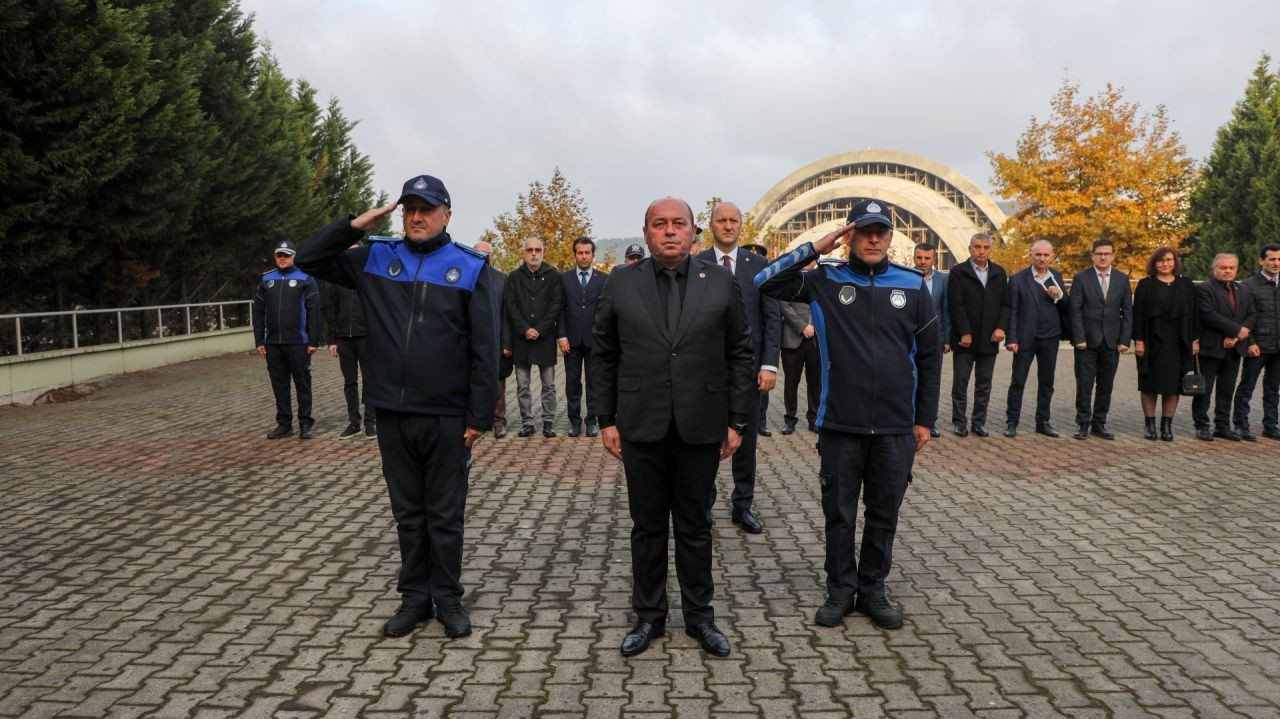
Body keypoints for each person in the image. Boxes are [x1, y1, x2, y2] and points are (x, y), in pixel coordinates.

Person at [295, 174, 498, 639]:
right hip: (391, 412)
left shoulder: (469, 266)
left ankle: (447, 599)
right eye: (409, 208)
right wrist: (354, 225)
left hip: (447, 416)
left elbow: (486, 348)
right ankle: (414, 600)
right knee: (409, 514)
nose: (416, 217)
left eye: (426, 209)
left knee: (444, 516)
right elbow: (309, 258)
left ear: (447, 214)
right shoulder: (376, 257)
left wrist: (478, 417)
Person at [756, 198, 941, 631]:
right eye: (864, 231)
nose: (873, 239)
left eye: (881, 232)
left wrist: (924, 420)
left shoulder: (913, 286)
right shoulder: (824, 280)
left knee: (884, 512)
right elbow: (764, 281)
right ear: (850, 236)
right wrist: (817, 247)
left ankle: (873, 589)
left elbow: (930, 359)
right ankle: (840, 589)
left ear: (891, 238)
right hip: (840, 422)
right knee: (839, 513)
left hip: (896, 425)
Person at [590, 197, 754, 658]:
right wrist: (606, 419)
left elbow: (740, 352)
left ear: (693, 232)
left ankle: (701, 618)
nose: (669, 231)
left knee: (696, 526)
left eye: (678, 224)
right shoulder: (622, 281)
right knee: (646, 527)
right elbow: (603, 354)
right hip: (640, 425)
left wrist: (735, 420)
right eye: (659, 224)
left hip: (701, 425)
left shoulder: (721, 281)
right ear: (645, 233)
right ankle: (649, 617)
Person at [698, 202, 781, 534]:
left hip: (749, 369)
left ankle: (742, 504)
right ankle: (703, 503)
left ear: (741, 226)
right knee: (704, 440)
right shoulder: (696, 264)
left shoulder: (760, 266)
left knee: (745, 442)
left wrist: (769, 364)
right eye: (722, 220)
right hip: (705, 371)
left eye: (733, 220)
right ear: (711, 226)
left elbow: (771, 317)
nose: (728, 225)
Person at [252, 240, 321, 440]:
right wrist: (259, 340)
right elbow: (258, 312)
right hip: (273, 344)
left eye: (286, 255)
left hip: (299, 343)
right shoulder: (266, 280)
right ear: (275, 257)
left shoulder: (306, 279)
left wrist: (313, 340)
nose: (283, 258)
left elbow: (314, 312)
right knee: (279, 385)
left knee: (302, 384)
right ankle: (284, 424)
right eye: (279, 255)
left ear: (293, 256)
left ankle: (305, 424)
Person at [1068, 238, 1133, 440]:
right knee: (1085, 384)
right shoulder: (1081, 278)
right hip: (1086, 342)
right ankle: (1083, 423)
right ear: (1092, 255)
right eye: (1099, 253)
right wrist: (1079, 337)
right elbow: (1075, 310)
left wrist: (1124, 340)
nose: (1103, 257)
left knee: (1106, 385)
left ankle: (1099, 422)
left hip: (1112, 342)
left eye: (1107, 253)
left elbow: (1127, 312)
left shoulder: (1122, 280)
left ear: (1113, 256)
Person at [1132, 247, 1199, 441]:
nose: (1165, 264)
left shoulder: (1186, 285)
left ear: (1175, 262)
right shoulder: (1146, 285)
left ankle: (1167, 425)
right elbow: (1138, 314)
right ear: (1154, 264)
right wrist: (1139, 340)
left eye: (1169, 260)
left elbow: (1195, 314)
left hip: (1178, 343)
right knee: (1149, 384)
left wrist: (1195, 339)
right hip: (1151, 342)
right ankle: (1149, 424)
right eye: (1160, 260)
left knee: (1173, 386)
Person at [1003, 240, 1069, 438]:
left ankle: (1043, 421)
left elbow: (1066, 306)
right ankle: (1012, 422)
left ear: (1052, 257)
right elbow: (1012, 311)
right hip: (1025, 338)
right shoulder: (1018, 279)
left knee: (1047, 381)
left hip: (1050, 337)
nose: (1041, 258)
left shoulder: (1056, 276)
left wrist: (1059, 296)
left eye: (1046, 255)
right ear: (1030, 255)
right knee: (1018, 381)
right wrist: (1011, 338)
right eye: (1038, 254)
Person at [947, 232, 1010, 437]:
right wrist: (964, 331)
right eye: (977, 247)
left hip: (989, 339)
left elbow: (1006, 304)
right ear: (970, 249)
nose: (981, 251)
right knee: (960, 383)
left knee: (984, 384)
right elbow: (955, 305)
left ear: (990, 250)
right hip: (965, 340)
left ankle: (979, 422)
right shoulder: (958, 272)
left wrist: (1001, 328)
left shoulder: (999, 273)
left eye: (985, 248)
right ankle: (959, 422)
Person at [503, 238, 563, 438]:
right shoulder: (513, 277)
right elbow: (511, 307)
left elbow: (555, 306)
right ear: (524, 253)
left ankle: (548, 422)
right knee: (522, 385)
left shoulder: (554, 276)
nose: (534, 254)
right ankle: (527, 422)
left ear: (543, 252)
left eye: (538, 250)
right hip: (522, 339)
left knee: (549, 384)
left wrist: (539, 329)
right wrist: (524, 329)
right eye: (530, 250)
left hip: (544, 338)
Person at [1193, 253, 1256, 441]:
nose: (1228, 271)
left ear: (1237, 269)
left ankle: (1222, 426)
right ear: (1214, 269)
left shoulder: (1243, 289)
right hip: (1211, 347)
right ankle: (1202, 426)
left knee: (1227, 389)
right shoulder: (1204, 289)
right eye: (1223, 267)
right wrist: (1236, 330)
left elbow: (1251, 314)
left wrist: (1236, 336)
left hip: (1234, 349)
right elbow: (1208, 315)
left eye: (1231, 268)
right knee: (1204, 390)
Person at [557, 236, 609, 438]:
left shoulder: (604, 279)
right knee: (572, 383)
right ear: (575, 255)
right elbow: (560, 310)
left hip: (595, 340)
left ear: (593, 255)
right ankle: (575, 422)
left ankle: (592, 421)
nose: (584, 256)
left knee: (594, 383)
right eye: (580, 252)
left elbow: (605, 311)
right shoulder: (564, 279)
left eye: (587, 252)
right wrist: (561, 336)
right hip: (571, 340)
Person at [322, 251, 375, 440]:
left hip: (366, 338)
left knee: (370, 380)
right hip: (344, 338)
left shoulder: (369, 279)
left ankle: (371, 422)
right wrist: (332, 340)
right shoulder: (337, 281)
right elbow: (331, 310)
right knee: (349, 382)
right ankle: (354, 423)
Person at [1233, 243, 1280, 440]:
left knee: (1273, 388)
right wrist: (1250, 342)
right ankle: (1241, 424)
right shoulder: (1248, 286)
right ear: (1262, 261)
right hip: (1257, 345)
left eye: (1279, 259)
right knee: (1247, 386)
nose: (1276, 263)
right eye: (1272, 259)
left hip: (1278, 346)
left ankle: (1271, 425)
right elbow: (1243, 317)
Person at [912, 243, 949, 437]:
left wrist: (947, 339)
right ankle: (910, 419)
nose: (923, 262)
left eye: (927, 258)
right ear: (914, 258)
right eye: (919, 258)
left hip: (935, 340)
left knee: (931, 381)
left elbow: (946, 311)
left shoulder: (944, 280)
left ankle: (928, 421)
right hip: (909, 341)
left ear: (934, 260)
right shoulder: (906, 278)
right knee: (910, 379)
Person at [779, 262, 820, 435]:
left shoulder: (821, 280)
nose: (811, 262)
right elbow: (784, 306)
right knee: (791, 382)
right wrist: (803, 326)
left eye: (813, 259)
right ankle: (790, 419)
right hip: (793, 339)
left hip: (816, 340)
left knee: (816, 382)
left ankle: (814, 419)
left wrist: (817, 326)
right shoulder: (789, 279)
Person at [474, 240, 510, 439]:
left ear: (491, 256)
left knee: (498, 384)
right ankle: (477, 418)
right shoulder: (465, 276)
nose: (482, 257)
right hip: (471, 340)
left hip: (495, 340)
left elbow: (507, 314)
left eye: (485, 254)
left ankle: (499, 421)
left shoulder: (501, 279)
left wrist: (506, 343)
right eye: (478, 253)